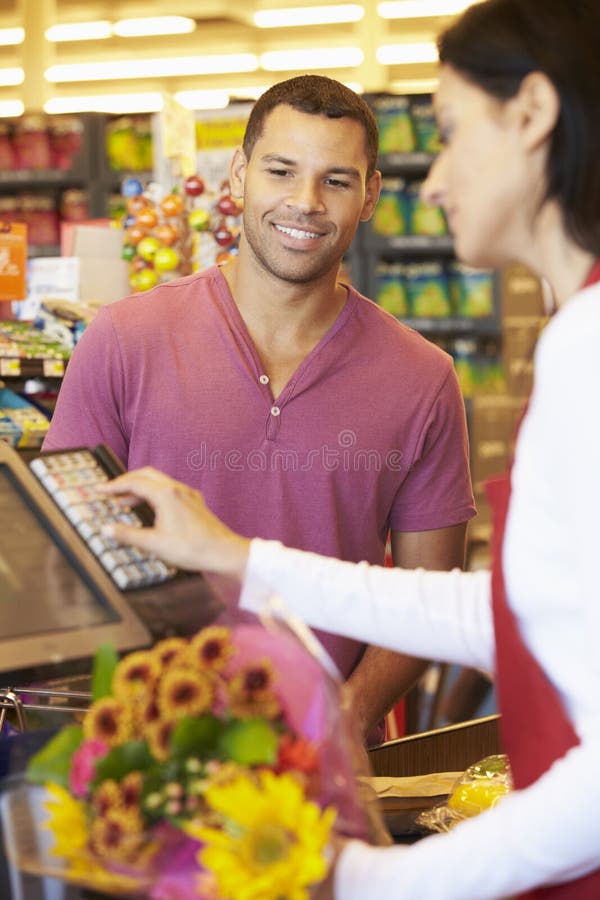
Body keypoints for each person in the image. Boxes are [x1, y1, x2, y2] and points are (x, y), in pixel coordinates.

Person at [98, 0, 600, 896]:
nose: (434, 180)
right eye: (282, 171)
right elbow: (519, 616)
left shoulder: (579, 349)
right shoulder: (575, 337)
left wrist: (364, 876)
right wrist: (233, 556)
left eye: (446, 133)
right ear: (241, 177)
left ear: (530, 117)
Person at [44, 75, 475, 741]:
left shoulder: (422, 377)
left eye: (336, 179)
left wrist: (347, 714)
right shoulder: (124, 341)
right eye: (281, 170)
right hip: (152, 754)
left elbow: (434, 596)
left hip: (330, 773)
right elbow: (69, 560)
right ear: (240, 174)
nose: (304, 203)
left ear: (370, 196)